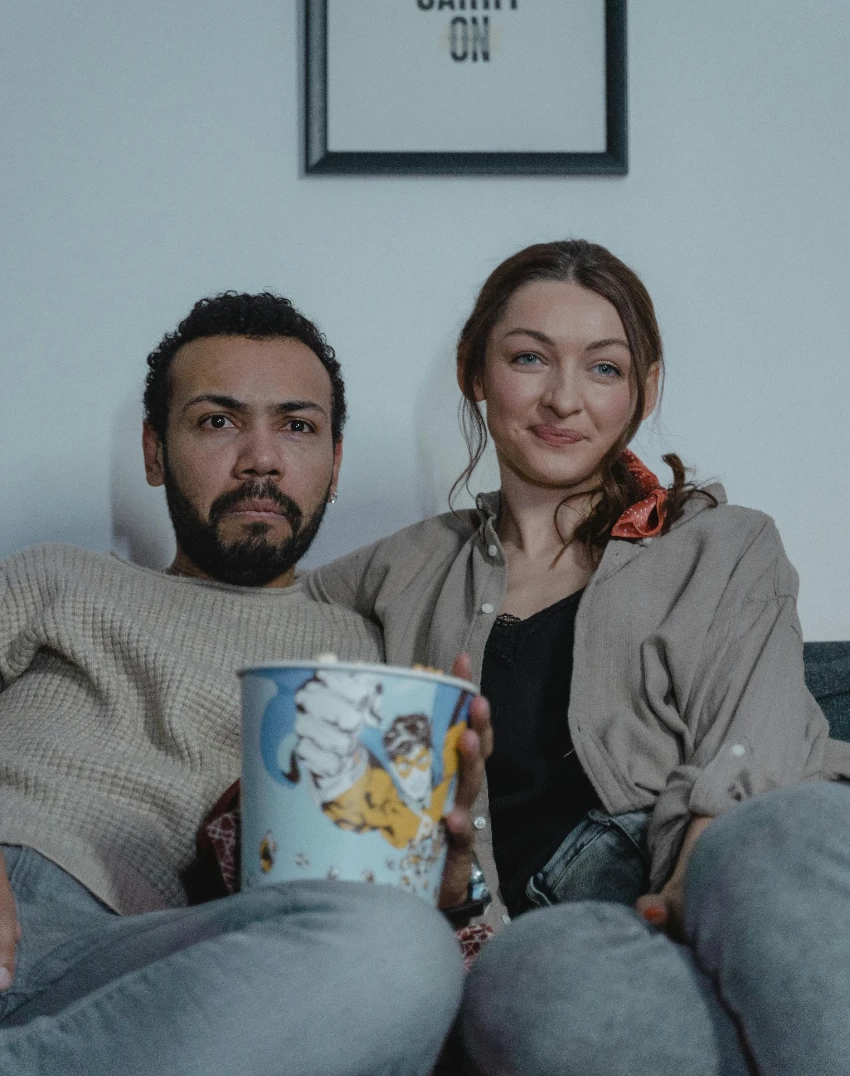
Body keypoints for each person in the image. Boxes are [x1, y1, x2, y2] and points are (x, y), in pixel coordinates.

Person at [304, 240, 850, 1074]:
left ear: (645, 389)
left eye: (603, 368)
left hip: (739, 885)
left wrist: (696, 876)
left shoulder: (720, 544)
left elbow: (760, 739)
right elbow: (244, 619)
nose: (564, 399)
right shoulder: (398, 572)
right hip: (569, 943)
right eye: (529, 358)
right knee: (535, 979)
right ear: (474, 370)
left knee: (779, 831)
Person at [0, 291, 491, 1076]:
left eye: (297, 427)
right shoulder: (57, 577)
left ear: (335, 464)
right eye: (217, 422)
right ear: (154, 452)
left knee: (401, 951)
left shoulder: (369, 660)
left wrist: (448, 887)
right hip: (18, 875)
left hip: (158, 970)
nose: (260, 458)